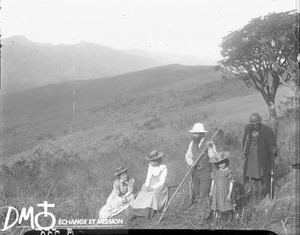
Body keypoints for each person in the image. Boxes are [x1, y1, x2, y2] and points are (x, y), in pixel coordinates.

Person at [242, 113, 278, 203]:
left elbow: (272, 145)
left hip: (262, 159)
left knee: (262, 178)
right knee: (252, 178)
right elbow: (245, 141)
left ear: (259, 121)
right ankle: (254, 199)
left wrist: (274, 153)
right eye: (252, 122)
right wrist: (244, 152)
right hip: (251, 158)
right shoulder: (248, 128)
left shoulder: (267, 130)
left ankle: (261, 198)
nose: (254, 124)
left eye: (256, 122)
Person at [128, 150, 168, 221]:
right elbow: (148, 177)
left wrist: (153, 188)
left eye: (152, 161)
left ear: (157, 161)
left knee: (153, 195)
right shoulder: (150, 167)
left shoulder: (163, 168)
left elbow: (162, 181)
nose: (150, 163)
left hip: (159, 185)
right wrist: (147, 186)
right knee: (142, 193)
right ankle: (135, 211)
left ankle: (147, 212)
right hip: (150, 184)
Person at [185, 123, 217, 205]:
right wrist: (191, 162)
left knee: (204, 193)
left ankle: (205, 214)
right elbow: (188, 155)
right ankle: (199, 210)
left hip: (206, 172)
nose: (194, 135)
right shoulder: (192, 143)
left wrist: (209, 148)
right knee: (197, 193)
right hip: (195, 171)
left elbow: (215, 158)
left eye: (196, 133)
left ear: (202, 134)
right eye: (193, 133)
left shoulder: (210, 143)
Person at [209, 151, 235, 221]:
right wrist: (211, 191)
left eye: (223, 163)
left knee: (226, 204)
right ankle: (216, 219)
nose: (221, 165)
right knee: (216, 204)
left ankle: (229, 219)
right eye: (219, 164)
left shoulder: (228, 171)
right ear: (217, 164)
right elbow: (213, 181)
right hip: (216, 191)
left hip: (224, 191)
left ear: (226, 162)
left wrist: (229, 194)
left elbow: (231, 182)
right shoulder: (215, 171)